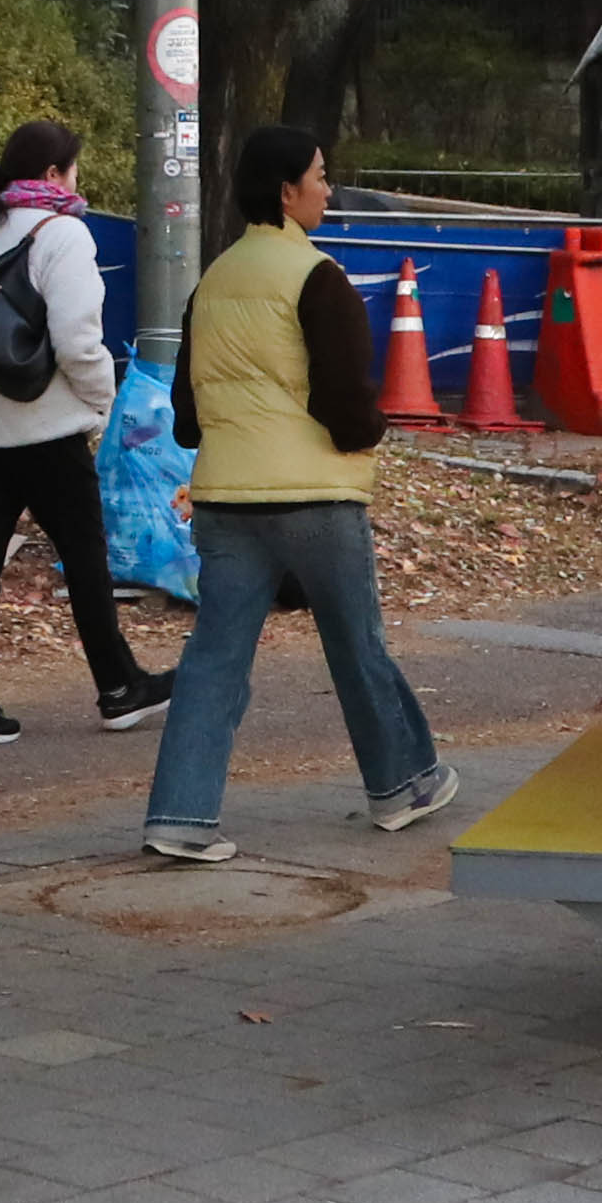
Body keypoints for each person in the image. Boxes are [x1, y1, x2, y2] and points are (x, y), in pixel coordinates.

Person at [143, 124, 459, 860]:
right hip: (314, 497)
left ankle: (179, 817)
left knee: (213, 658)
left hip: (224, 502)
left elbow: (187, 420)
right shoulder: (318, 278)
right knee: (357, 645)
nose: (328, 187)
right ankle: (403, 782)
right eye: (319, 175)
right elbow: (348, 406)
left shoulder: (210, 282)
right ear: (287, 191)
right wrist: (369, 435)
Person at [0, 117, 167, 746]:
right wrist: (100, 401)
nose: (77, 180)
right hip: (50, 435)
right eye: (74, 169)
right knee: (87, 561)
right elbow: (78, 341)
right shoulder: (63, 234)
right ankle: (119, 688)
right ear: (51, 175)